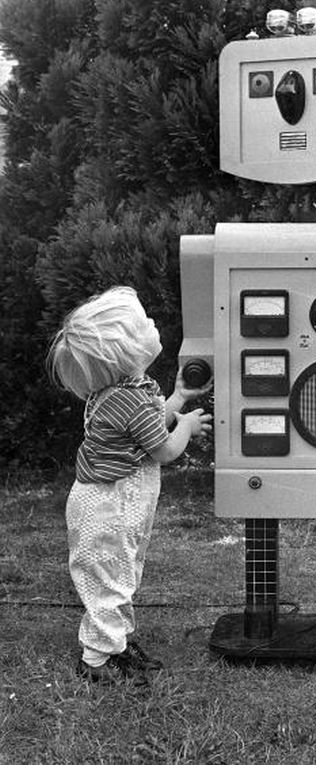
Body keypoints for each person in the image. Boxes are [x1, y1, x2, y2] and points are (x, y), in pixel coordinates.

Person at [47, 286, 212, 685]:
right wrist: (186, 424)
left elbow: (151, 422)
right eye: (143, 324)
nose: (152, 323)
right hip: (109, 504)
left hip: (115, 501)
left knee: (122, 573)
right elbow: (165, 449)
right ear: (126, 352)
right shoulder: (128, 399)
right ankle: (96, 662)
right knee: (111, 580)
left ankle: (115, 644)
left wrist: (177, 398)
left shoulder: (127, 392)